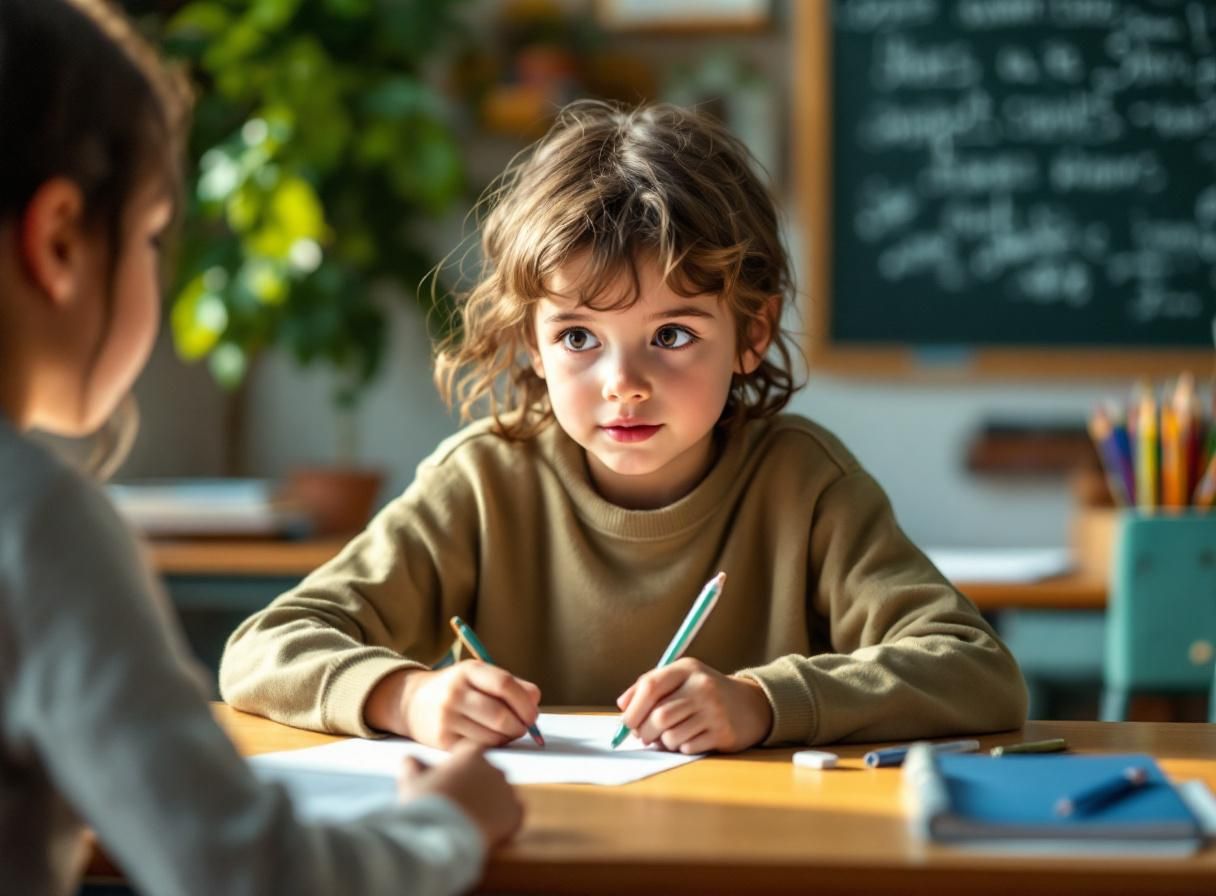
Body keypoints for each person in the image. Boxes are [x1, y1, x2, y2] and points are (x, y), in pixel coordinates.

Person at [222, 100, 1027, 755]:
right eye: (578, 338)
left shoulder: (804, 483)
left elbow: (978, 671)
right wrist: (408, 695)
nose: (624, 386)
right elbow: (264, 648)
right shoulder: (481, 482)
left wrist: (763, 702)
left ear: (751, 334)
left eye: (673, 336)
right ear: (531, 343)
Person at [0, 2, 521, 894]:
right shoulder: (37, 520)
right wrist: (448, 822)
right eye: (155, 234)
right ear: (58, 241)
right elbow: (245, 872)